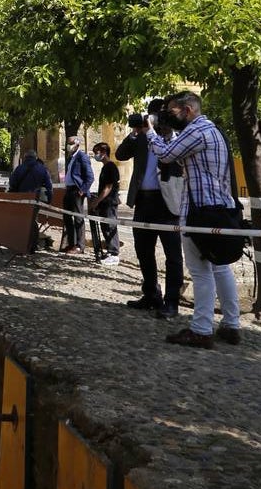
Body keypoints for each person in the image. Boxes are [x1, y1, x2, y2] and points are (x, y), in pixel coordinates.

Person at [145, 91, 242, 348]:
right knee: (221, 268)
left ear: (187, 110)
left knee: (200, 272)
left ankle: (201, 330)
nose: (169, 116)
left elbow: (166, 155)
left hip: (200, 211)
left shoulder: (195, 130)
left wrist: (150, 133)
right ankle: (231, 325)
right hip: (221, 208)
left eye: (172, 111)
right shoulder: (215, 131)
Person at [115, 111, 183, 318]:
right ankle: (151, 294)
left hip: (167, 200)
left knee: (172, 254)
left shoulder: (174, 137)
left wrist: (157, 130)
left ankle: (172, 302)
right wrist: (135, 132)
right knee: (143, 250)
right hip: (143, 200)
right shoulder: (141, 137)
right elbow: (120, 155)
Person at [88, 142, 120, 265]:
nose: (95, 155)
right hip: (106, 203)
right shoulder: (105, 167)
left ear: (103, 152)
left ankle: (114, 253)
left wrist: (96, 201)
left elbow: (108, 187)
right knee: (105, 227)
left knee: (110, 226)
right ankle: (110, 251)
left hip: (109, 202)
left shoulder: (110, 167)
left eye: (97, 152)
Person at [61, 135, 93, 254]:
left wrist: (82, 190)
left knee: (78, 218)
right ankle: (71, 243)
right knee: (67, 217)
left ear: (77, 144)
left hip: (77, 191)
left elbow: (90, 177)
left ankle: (80, 246)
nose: (68, 146)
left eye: (71, 143)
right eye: (67, 143)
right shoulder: (71, 158)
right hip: (69, 190)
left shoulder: (82, 157)